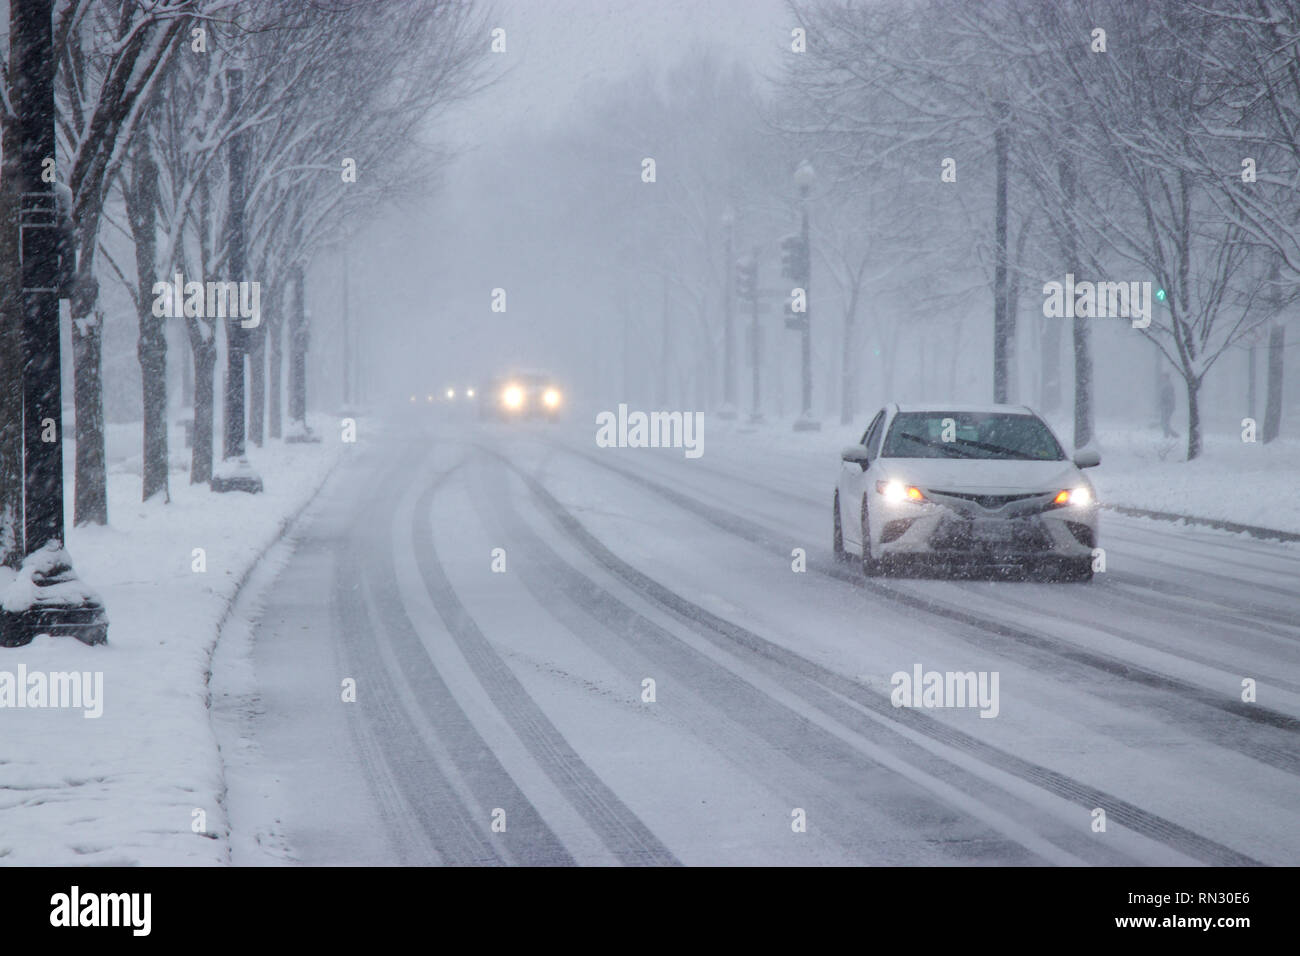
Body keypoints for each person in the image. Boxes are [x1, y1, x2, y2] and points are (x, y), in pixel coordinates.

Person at [1158, 373, 1178, 438]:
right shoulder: (1167, 385)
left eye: (1163, 377)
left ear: (1166, 377)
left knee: (1165, 421)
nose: (1162, 378)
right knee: (1164, 421)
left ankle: (1170, 435)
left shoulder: (1168, 386)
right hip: (1167, 406)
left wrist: (1163, 403)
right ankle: (1170, 435)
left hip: (1167, 406)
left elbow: (1168, 397)